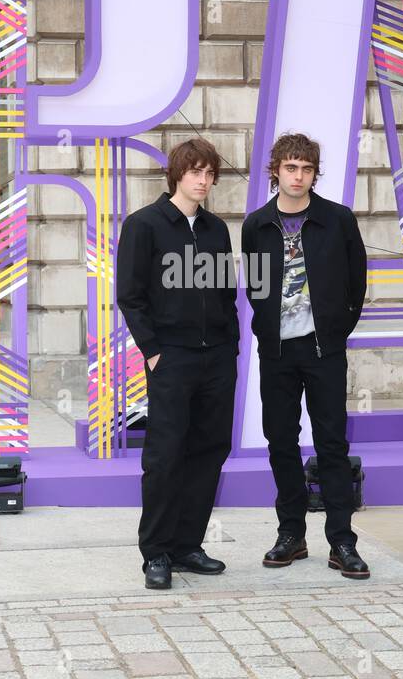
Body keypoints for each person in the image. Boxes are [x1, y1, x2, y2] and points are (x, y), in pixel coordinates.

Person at [241, 132, 369, 580]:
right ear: (275, 170)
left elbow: (357, 284)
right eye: (290, 167)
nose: (298, 176)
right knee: (281, 443)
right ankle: (291, 534)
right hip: (277, 352)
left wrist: (335, 331)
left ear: (316, 174)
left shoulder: (337, 220)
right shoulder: (256, 225)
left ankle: (342, 541)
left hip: (324, 351)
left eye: (306, 169)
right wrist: (267, 330)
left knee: (332, 444)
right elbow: (256, 288)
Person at [116, 138, 238, 590]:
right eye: (195, 173)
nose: (203, 182)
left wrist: (232, 345)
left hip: (218, 358)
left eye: (210, 174)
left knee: (209, 450)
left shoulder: (215, 229)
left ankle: (188, 545)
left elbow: (226, 291)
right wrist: (153, 350)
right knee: (165, 455)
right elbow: (130, 295)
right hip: (171, 358)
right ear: (177, 175)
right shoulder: (144, 225)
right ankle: (157, 553)